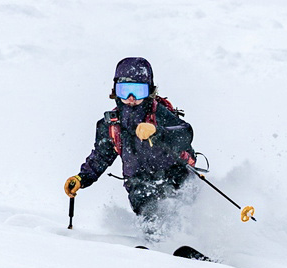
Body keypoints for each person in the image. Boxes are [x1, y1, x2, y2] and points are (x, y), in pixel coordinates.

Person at [64, 57, 198, 237]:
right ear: (115, 92)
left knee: (184, 214)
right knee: (150, 216)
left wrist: (158, 132)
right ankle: (158, 246)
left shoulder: (159, 113)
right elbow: (101, 156)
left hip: (175, 175)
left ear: (150, 91)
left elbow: (185, 133)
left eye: (138, 91)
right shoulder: (111, 125)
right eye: (125, 91)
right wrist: (82, 178)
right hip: (138, 183)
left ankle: (195, 244)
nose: (131, 99)